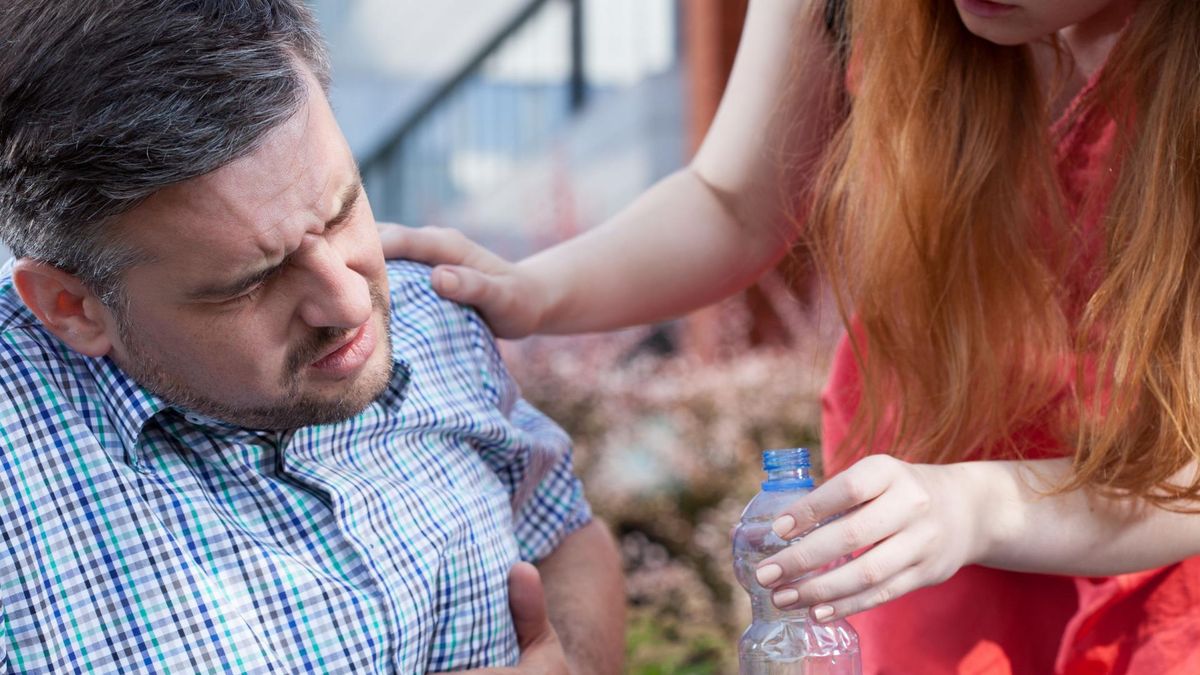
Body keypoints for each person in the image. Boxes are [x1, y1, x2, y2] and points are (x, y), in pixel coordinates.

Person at [383, 0, 1200, 672]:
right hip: (919, 535)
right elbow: (736, 202)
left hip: (1147, 533)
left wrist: (983, 504)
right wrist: (533, 289)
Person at [0, 1, 624, 673]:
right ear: (72, 305)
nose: (352, 299)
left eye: (344, 209)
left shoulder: (430, 306)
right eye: (253, 280)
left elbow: (563, 534)